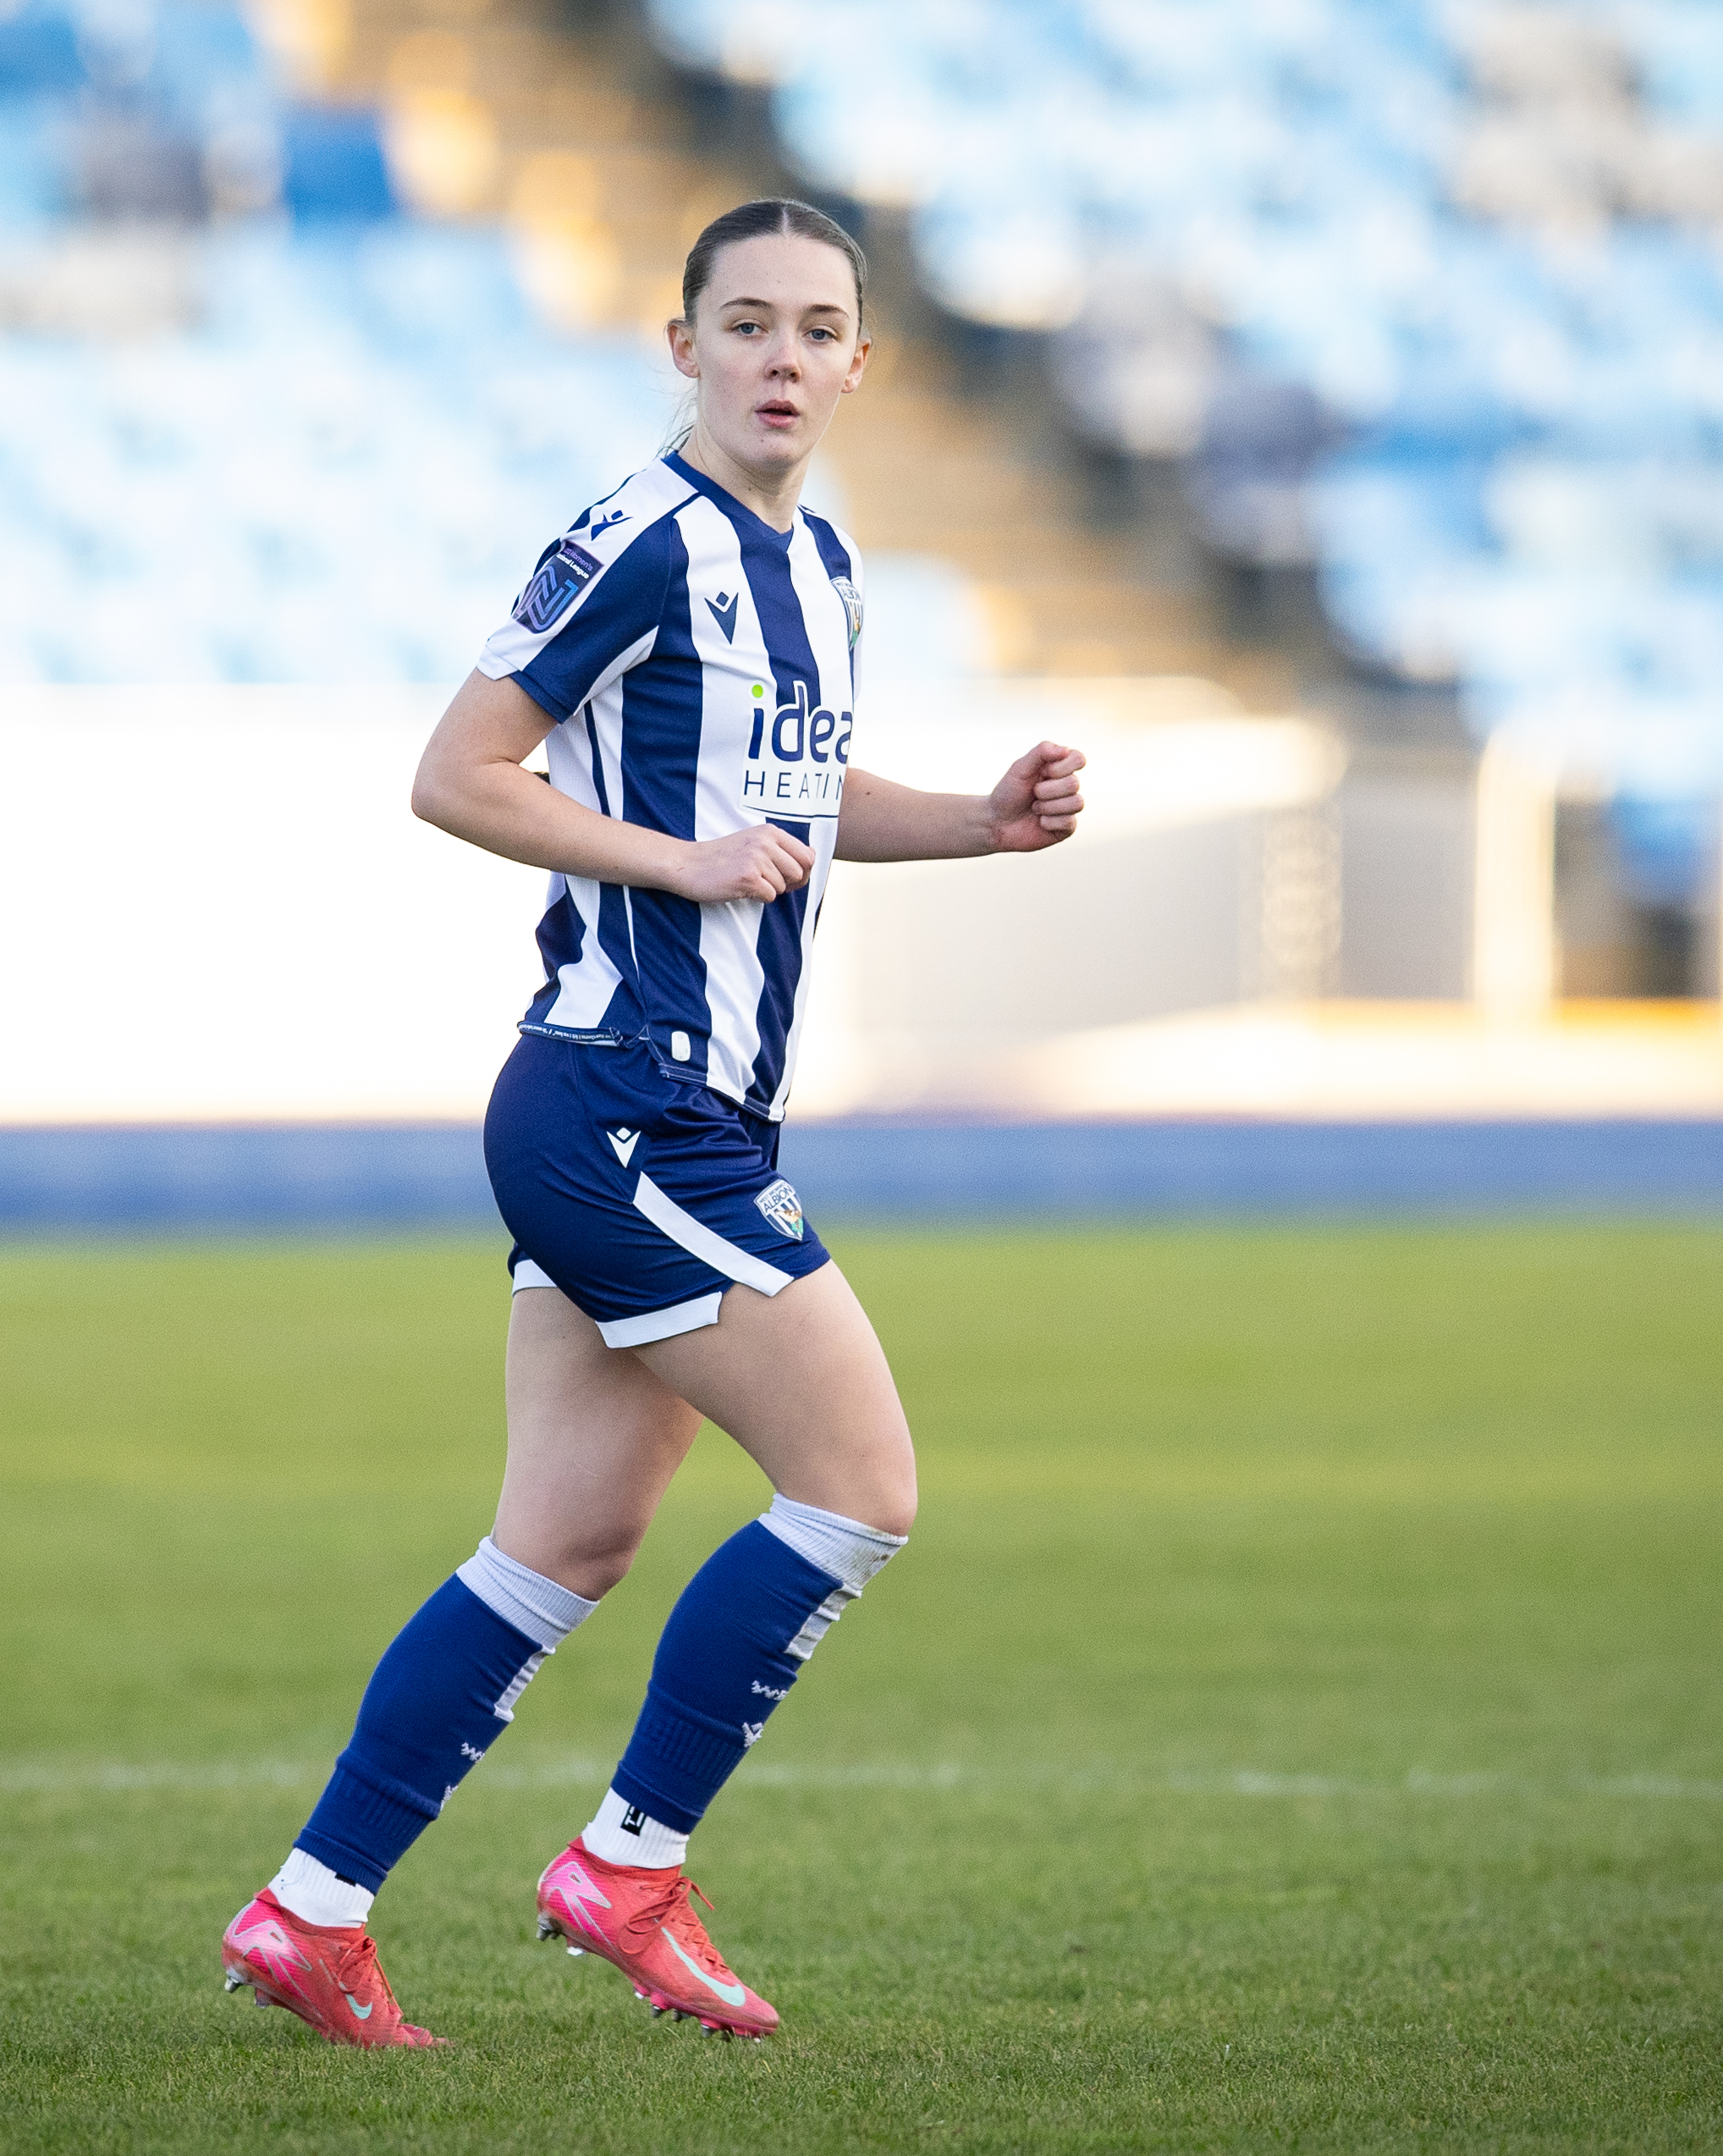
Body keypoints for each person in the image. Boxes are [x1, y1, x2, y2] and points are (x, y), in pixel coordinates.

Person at [219, 198, 1087, 2048]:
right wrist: (671, 862)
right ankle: (626, 1863)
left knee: (560, 1543)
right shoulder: (639, 537)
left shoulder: (821, 562)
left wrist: (980, 819)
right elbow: (457, 771)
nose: (781, 356)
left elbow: (799, 795)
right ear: (676, 345)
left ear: (863, 362)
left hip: (675, 1116)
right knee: (859, 1488)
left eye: (816, 328)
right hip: (622, 1103)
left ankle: (311, 1909)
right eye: (745, 323)